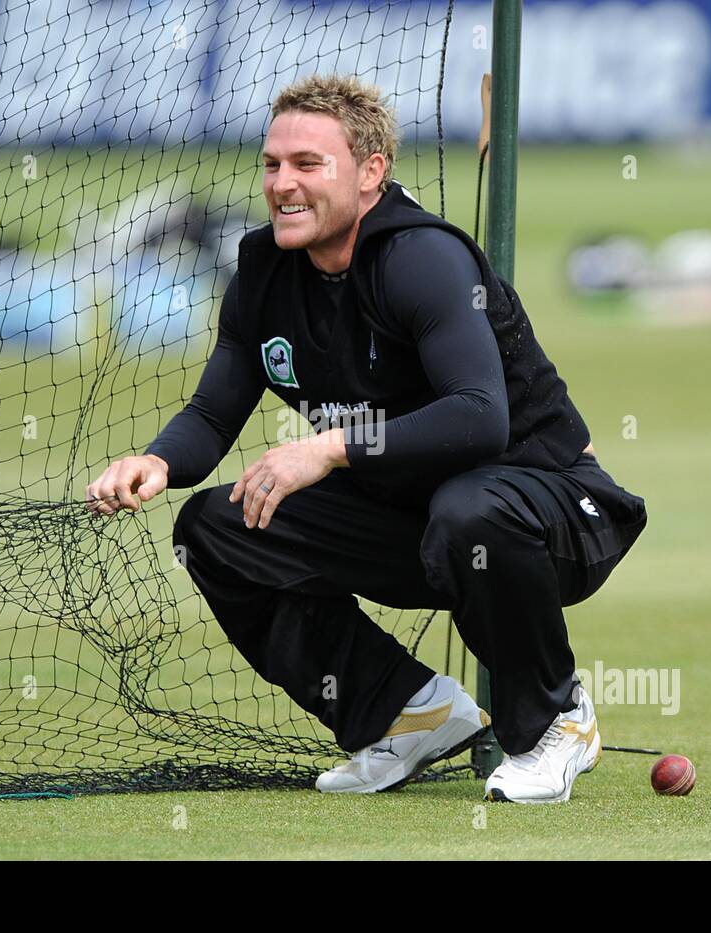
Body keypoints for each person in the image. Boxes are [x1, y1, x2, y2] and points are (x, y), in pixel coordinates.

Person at [86, 74, 647, 803]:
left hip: (555, 510)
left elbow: (480, 416)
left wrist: (327, 447)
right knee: (219, 526)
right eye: (272, 164)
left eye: (307, 165)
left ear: (371, 172)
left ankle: (555, 721)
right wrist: (156, 460)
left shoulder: (421, 258)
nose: (283, 183)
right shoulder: (263, 269)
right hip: (422, 521)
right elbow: (215, 414)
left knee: (470, 506)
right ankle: (408, 713)